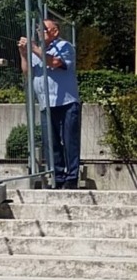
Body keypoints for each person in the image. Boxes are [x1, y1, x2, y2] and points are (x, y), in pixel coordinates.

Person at [19, 19, 81, 189]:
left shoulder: (64, 46)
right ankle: (58, 176)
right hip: (46, 103)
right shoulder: (37, 51)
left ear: (55, 31)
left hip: (66, 102)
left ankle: (72, 177)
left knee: (70, 142)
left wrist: (35, 49)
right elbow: (26, 71)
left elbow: (54, 63)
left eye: (43, 29)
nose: (39, 32)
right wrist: (24, 53)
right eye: (38, 29)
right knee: (51, 143)